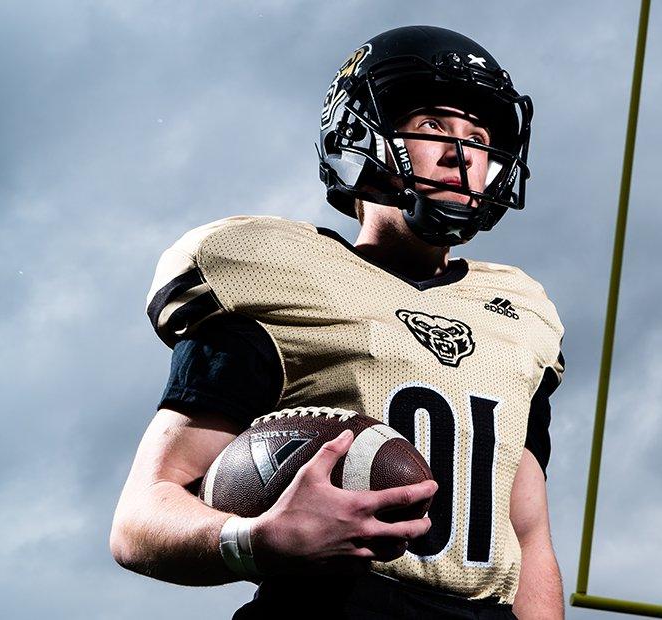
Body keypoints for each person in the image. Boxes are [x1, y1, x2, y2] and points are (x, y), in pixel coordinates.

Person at [109, 25, 565, 620]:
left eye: (478, 137)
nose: (463, 152)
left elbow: (528, 539)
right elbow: (140, 517)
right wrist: (260, 541)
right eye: (433, 126)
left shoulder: (522, 311)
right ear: (359, 134)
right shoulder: (276, 274)